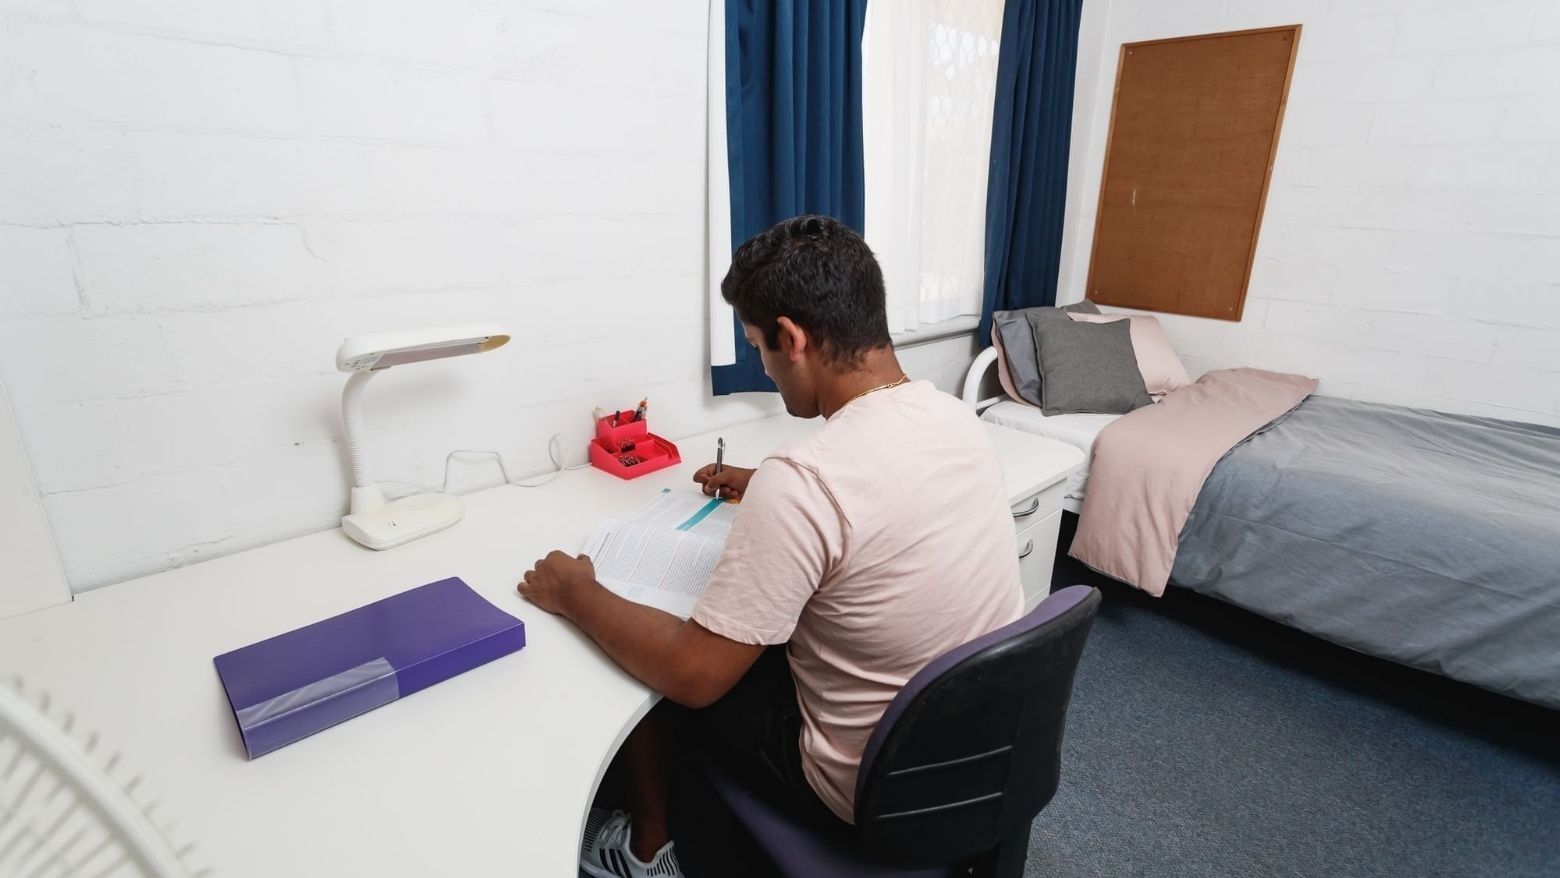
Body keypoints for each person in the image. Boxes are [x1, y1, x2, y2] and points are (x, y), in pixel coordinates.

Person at [518, 215, 1022, 878]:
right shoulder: (952, 417)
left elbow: (693, 676)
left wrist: (576, 592)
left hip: (872, 784)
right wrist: (764, 486)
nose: (763, 364)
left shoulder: (808, 478)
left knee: (648, 669)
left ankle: (649, 853)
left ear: (792, 338)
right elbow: (886, 492)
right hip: (980, 746)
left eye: (758, 345)